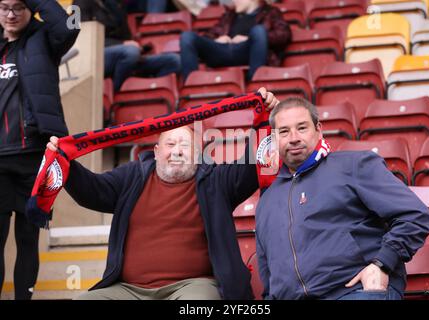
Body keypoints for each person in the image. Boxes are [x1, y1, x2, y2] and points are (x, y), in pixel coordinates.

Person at [45, 88, 278, 300]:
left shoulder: (216, 181)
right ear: (156, 152)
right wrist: (67, 165)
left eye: (185, 146)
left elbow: (250, 169)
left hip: (192, 286)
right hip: (129, 289)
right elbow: (93, 192)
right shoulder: (132, 176)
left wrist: (264, 121)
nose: (177, 151)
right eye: (170, 144)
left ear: (198, 154)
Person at [255, 97, 429, 300]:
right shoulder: (267, 200)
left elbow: (415, 215)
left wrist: (382, 263)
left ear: (318, 130)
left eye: (302, 128)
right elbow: (268, 278)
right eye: (284, 131)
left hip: (353, 292)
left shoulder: (354, 165)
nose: (294, 137)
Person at [0, 0, 79, 299]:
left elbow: (69, 24)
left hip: (35, 154)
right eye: (4, 7)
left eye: (18, 7)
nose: (10, 14)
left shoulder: (44, 38)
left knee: (27, 238)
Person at [73, 0, 181, 92]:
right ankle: (116, 93)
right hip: (96, 56)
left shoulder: (115, 3)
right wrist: (122, 44)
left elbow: (126, 35)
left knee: (174, 60)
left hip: (124, 54)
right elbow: (81, 39)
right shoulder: (78, 4)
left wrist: (139, 47)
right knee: (130, 52)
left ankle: (145, 90)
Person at [180, 0, 291, 82]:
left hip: (248, 50)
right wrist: (217, 39)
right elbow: (210, 35)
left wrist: (250, 39)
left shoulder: (271, 12)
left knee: (259, 31)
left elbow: (284, 35)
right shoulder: (230, 15)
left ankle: (256, 82)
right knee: (187, 37)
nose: (234, 1)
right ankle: (191, 84)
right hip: (223, 50)